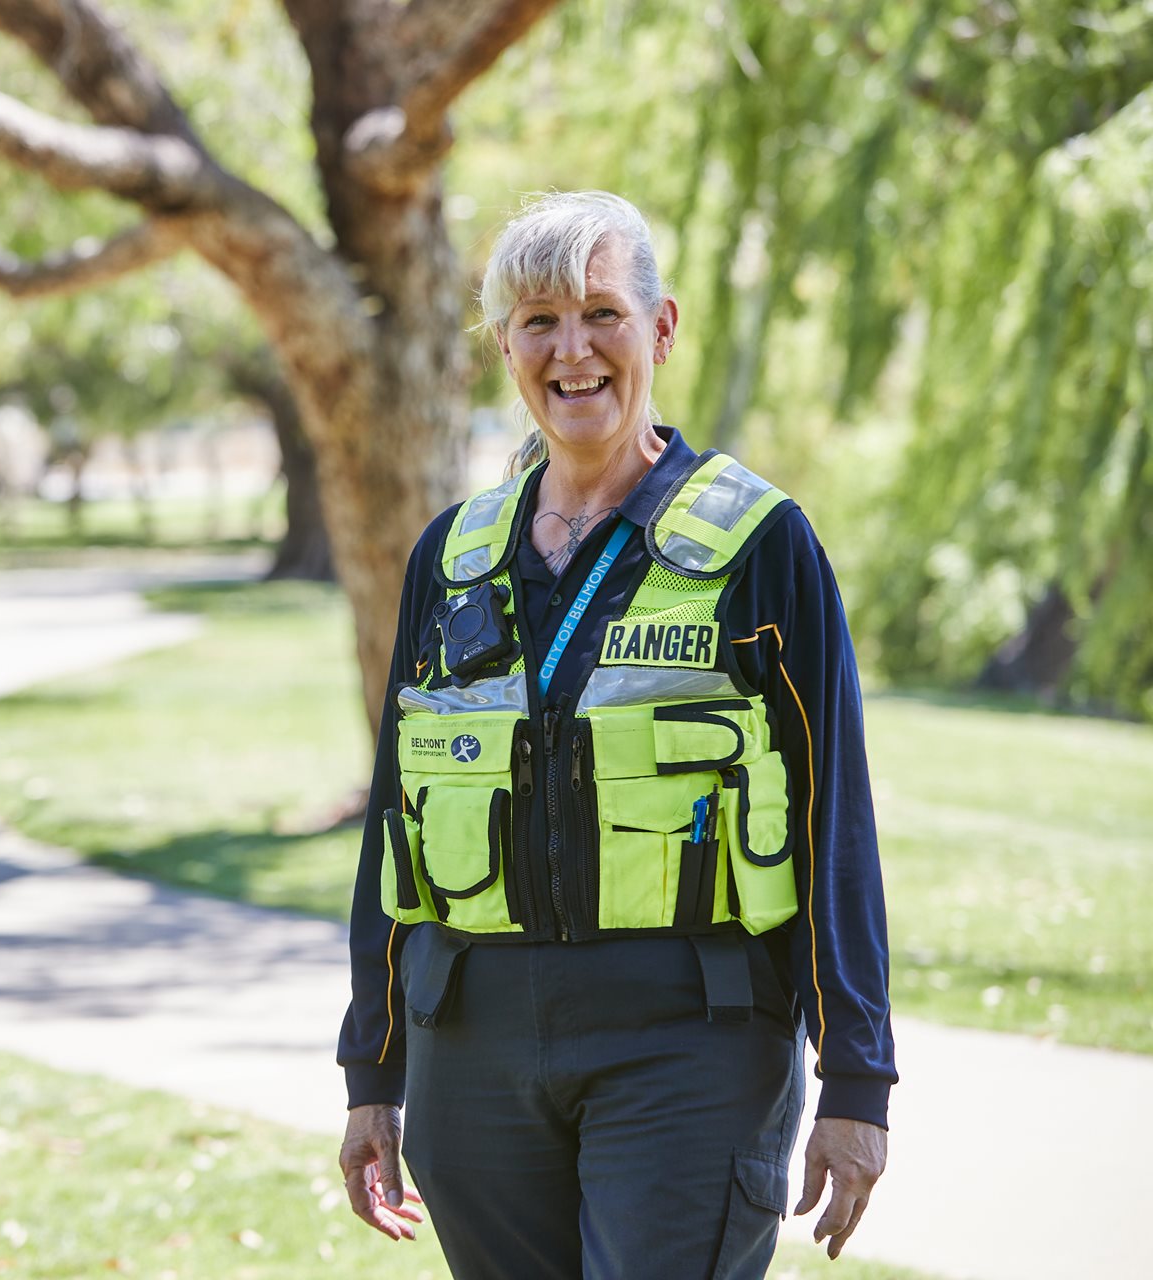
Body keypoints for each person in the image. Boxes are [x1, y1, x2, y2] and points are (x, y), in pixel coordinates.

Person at [334, 191, 895, 1279]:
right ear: (504, 347)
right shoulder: (451, 556)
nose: (572, 350)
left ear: (661, 328)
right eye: (538, 322)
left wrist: (857, 1081)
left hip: (690, 1044)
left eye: (602, 314)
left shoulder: (761, 543)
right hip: (474, 1052)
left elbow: (836, 820)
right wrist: (373, 1067)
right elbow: (394, 828)